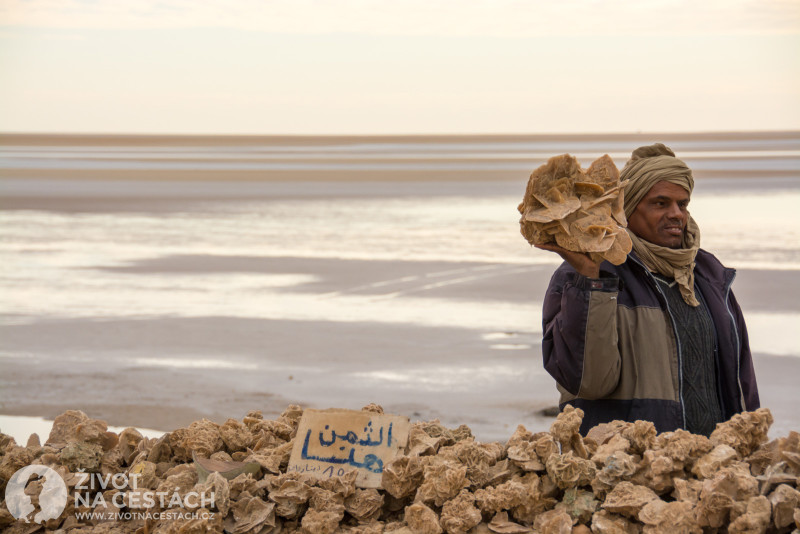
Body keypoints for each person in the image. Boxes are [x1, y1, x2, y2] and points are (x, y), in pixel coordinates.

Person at [537, 143, 759, 436]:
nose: (676, 214)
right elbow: (588, 383)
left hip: (712, 468)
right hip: (631, 469)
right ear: (628, 208)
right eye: (660, 203)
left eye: (683, 204)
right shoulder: (586, 274)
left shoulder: (710, 277)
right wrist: (591, 279)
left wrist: (753, 450)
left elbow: (743, 385)